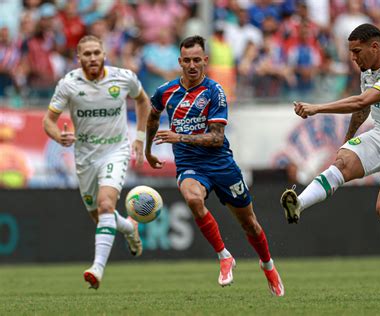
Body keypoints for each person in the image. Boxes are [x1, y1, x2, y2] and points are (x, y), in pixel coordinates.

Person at [280, 24, 380, 301]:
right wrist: (348, 140)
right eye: (350, 52)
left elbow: (362, 99)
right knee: (342, 162)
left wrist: (317, 108)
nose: (353, 58)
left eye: (356, 51)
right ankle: (299, 204)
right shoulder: (368, 71)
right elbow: (363, 109)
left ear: (375, 46)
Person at [145, 35, 284, 297]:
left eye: (197, 60)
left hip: (220, 164)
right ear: (180, 62)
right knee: (193, 199)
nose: (192, 65)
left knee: (250, 224)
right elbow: (152, 117)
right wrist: (148, 151)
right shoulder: (165, 92)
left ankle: (268, 266)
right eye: (187, 60)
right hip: (190, 164)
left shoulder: (214, 91)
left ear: (205, 60)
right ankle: (224, 256)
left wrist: (180, 137)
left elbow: (217, 137)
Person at [42, 35, 151, 289]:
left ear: (104, 54)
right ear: (78, 58)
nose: (92, 58)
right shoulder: (69, 84)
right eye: (86, 54)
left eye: (96, 53)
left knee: (105, 205)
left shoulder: (123, 77)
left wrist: (140, 138)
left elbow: (143, 100)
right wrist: (60, 136)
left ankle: (97, 269)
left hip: (115, 151)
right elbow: (48, 121)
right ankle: (129, 228)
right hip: (85, 157)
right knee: (100, 215)